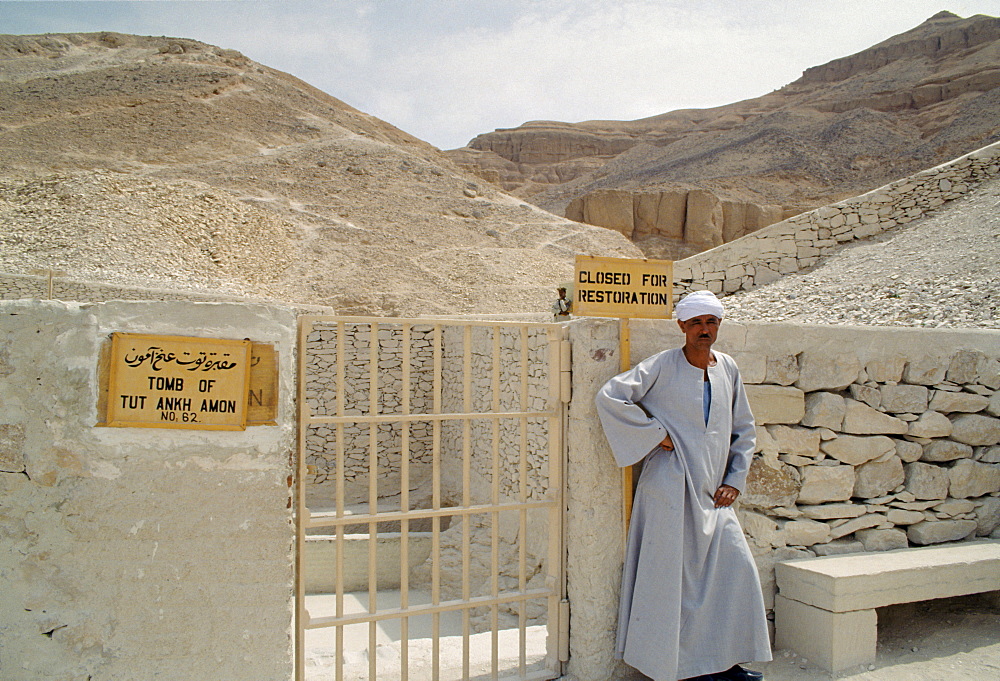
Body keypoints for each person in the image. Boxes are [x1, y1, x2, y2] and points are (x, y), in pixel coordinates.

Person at [595, 290, 771, 681]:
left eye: (711, 322)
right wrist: (656, 433)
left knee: (732, 572)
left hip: (714, 493)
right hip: (670, 489)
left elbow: (744, 429)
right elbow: (611, 396)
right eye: (696, 323)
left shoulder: (728, 368)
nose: (704, 330)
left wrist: (735, 481)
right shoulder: (661, 365)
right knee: (669, 582)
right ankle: (677, 668)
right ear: (682, 326)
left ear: (718, 325)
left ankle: (725, 662)